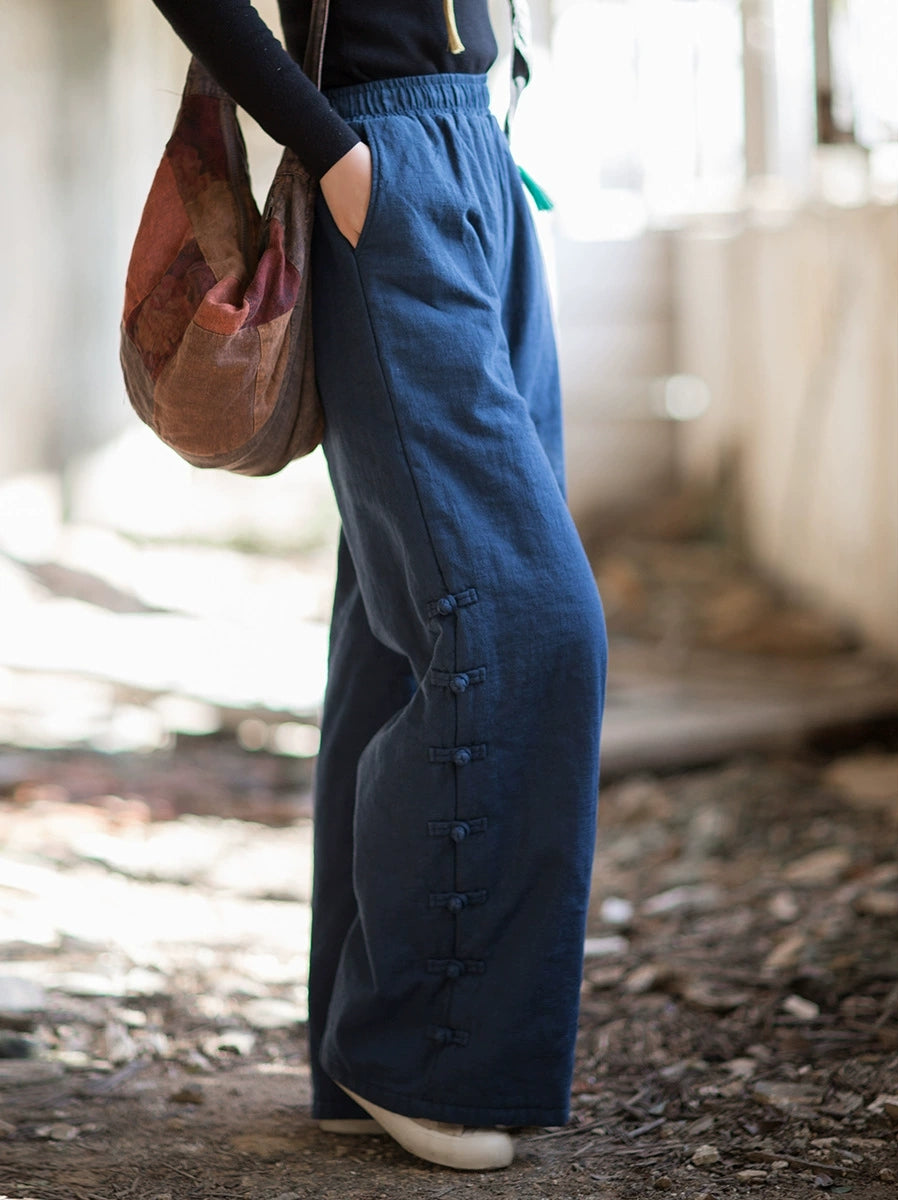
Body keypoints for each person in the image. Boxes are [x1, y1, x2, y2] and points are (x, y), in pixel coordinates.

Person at [149, 0, 607, 1172]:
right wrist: (337, 154)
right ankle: (423, 1048)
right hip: (383, 158)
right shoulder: (361, 160)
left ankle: (367, 1045)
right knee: (522, 623)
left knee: (398, 627)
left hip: (480, 161)